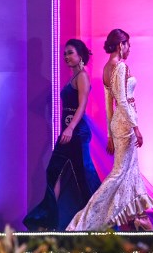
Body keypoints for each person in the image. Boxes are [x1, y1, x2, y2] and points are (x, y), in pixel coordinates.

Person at [66, 29, 153, 231]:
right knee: (119, 173)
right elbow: (122, 102)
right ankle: (84, 221)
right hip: (126, 123)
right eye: (128, 45)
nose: (129, 49)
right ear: (120, 45)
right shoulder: (120, 67)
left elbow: (109, 103)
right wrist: (136, 127)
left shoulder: (106, 67)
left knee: (129, 171)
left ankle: (139, 216)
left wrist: (109, 134)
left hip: (118, 123)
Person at [24, 39, 102, 230]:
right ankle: (49, 219)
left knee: (84, 175)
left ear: (80, 55)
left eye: (70, 53)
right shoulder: (74, 77)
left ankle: (98, 219)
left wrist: (70, 128)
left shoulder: (83, 76)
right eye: (65, 53)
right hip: (69, 133)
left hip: (76, 133)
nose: (66, 57)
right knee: (54, 172)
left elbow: (82, 105)